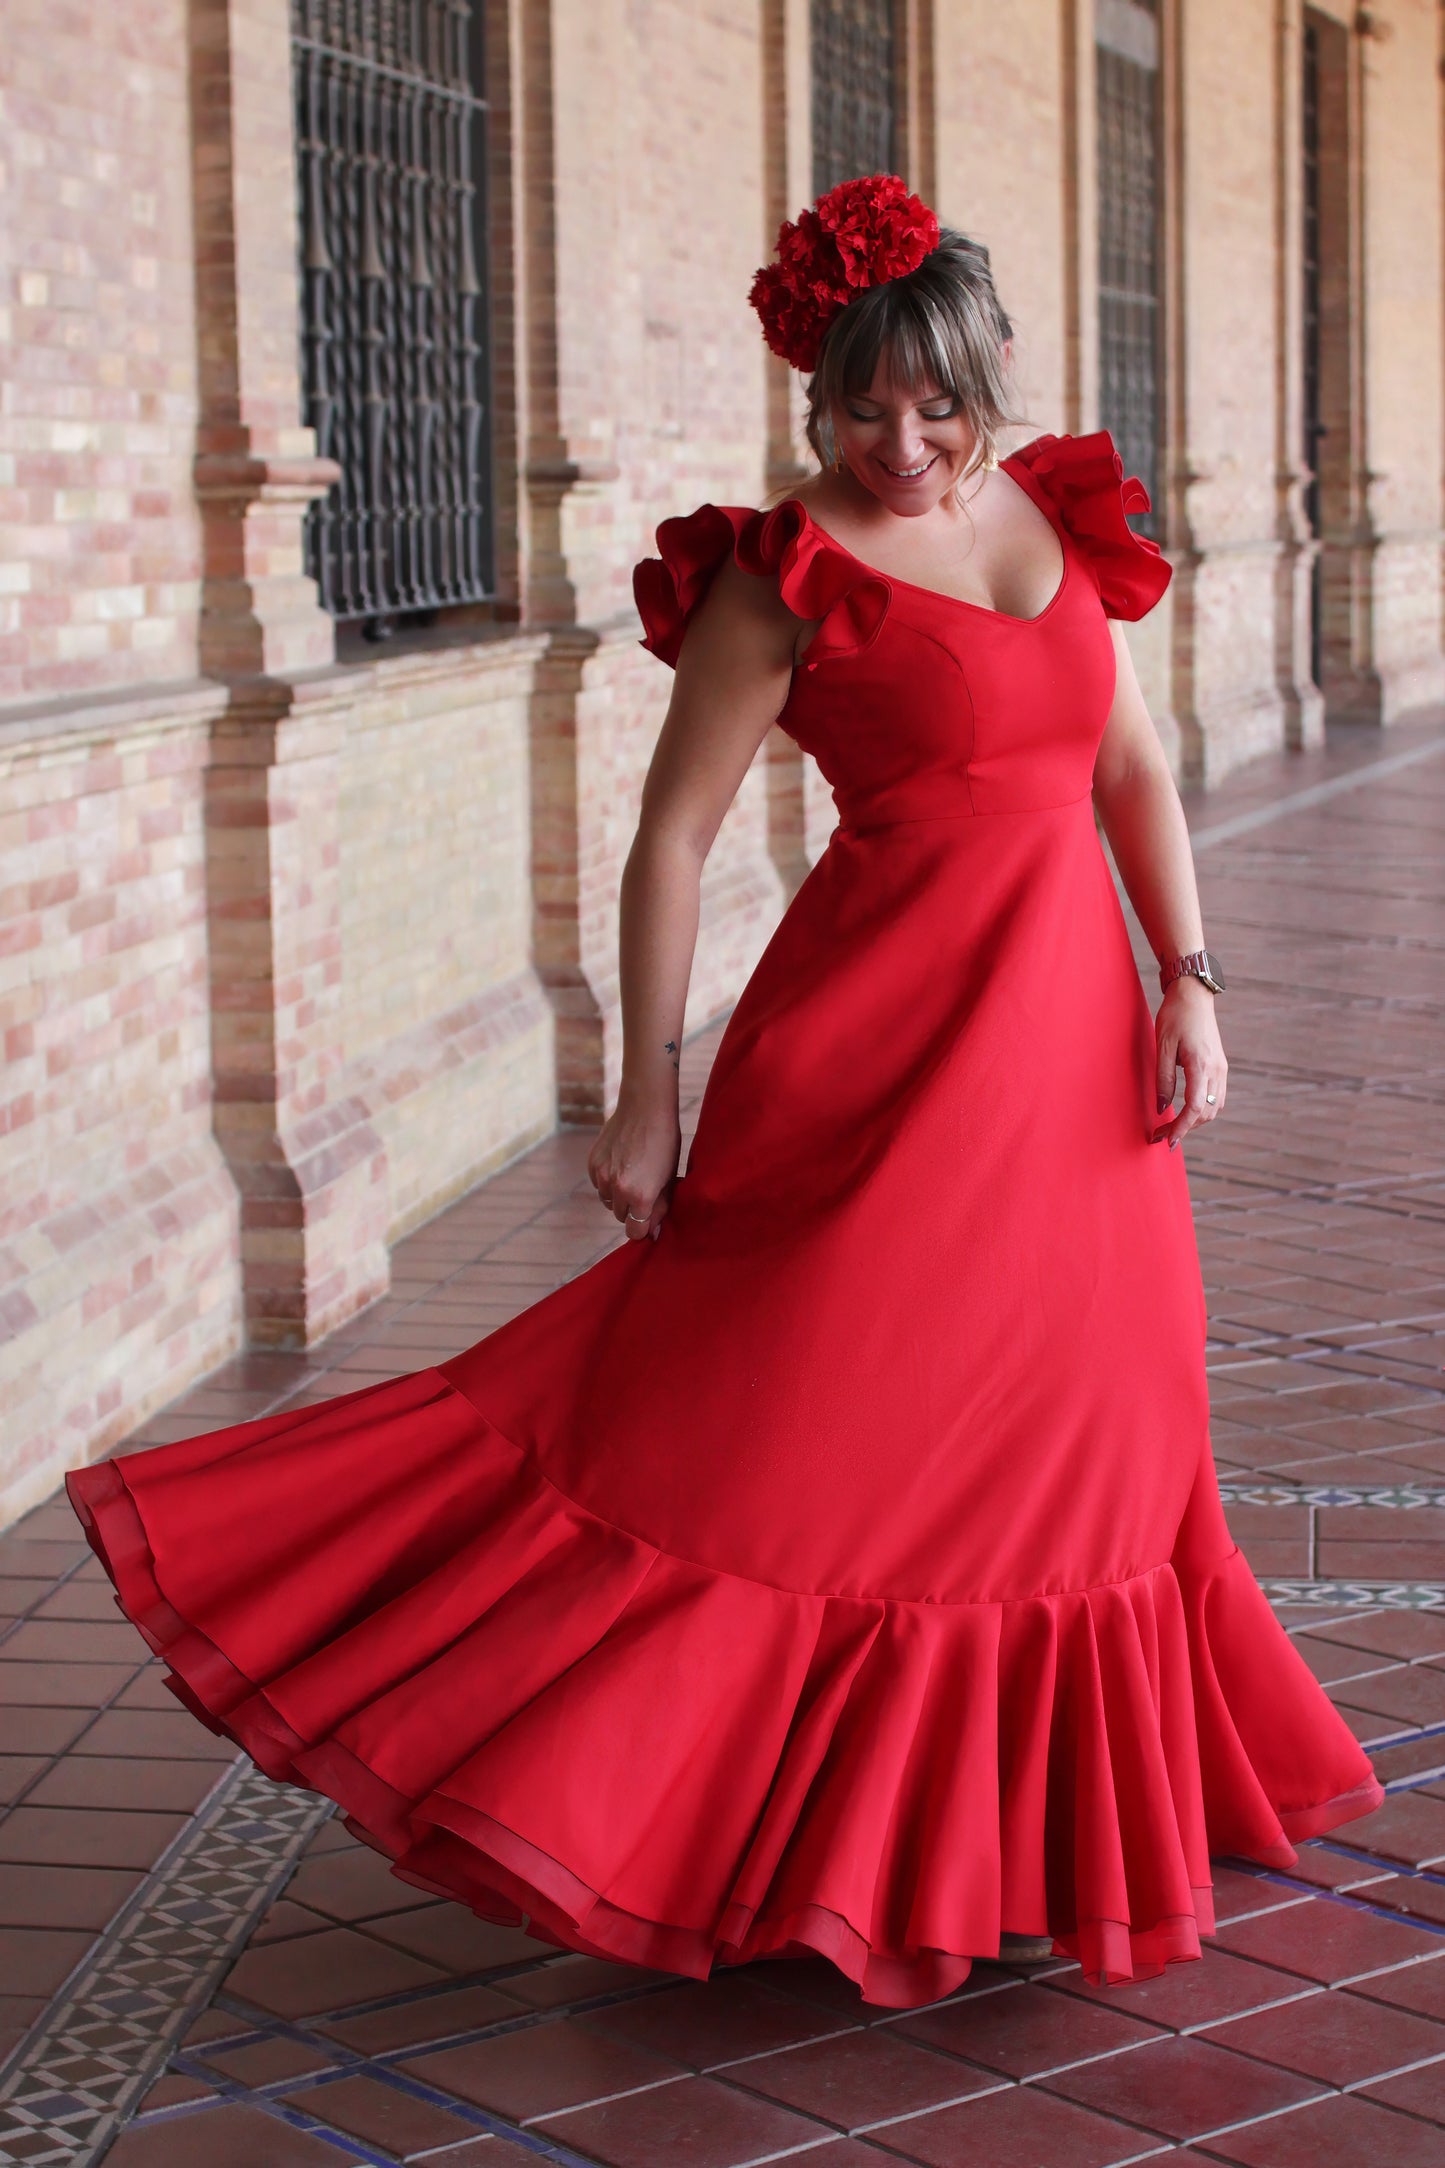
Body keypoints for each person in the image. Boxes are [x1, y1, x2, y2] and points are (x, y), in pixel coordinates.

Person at [68, 174, 1383, 2012]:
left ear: (984, 376)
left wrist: (1190, 979)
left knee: (1093, 1443)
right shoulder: (783, 573)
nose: (902, 444)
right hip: (869, 1058)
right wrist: (641, 1094)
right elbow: (671, 845)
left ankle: (1012, 1843)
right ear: (811, 392)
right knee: (784, 1431)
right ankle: (712, 1823)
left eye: (933, 404)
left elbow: (1132, 770)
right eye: (860, 406)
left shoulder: (1054, 515)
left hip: (1073, 1071)